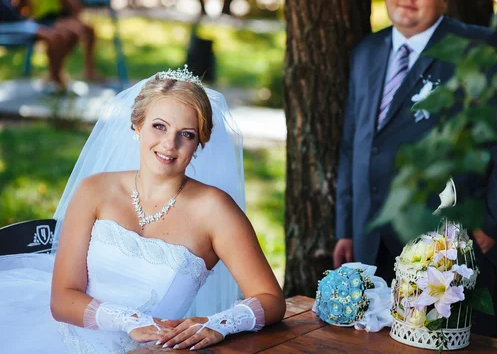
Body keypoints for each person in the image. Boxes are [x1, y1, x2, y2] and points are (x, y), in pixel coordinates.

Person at [0, 66, 286, 352]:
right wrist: (129, 321)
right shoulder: (94, 190)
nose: (169, 144)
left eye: (186, 134)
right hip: (58, 340)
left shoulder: (216, 211)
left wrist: (219, 324)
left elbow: (271, 298)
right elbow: (63, 300)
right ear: (137, 126)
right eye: (159, 126)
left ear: (200, 142)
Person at [333, 0, 497, 336]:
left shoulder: (479, 49)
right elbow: (354, 143)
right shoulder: (367, 52)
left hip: (446, 249)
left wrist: (493, 221)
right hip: (369, 239)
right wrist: (346, 227)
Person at [0, 0, 75, 90]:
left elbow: (21, 8)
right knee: (52, 36)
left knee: (62, 35)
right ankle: (54, 79)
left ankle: (54, 77)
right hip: (7, 26)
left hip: (21, 22)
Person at [31, 0, 100, 82]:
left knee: (82, 31)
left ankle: (58, 72)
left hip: (47, 16)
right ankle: (55, 73)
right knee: (73, 33)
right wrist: (77, 10)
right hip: (51, 18)